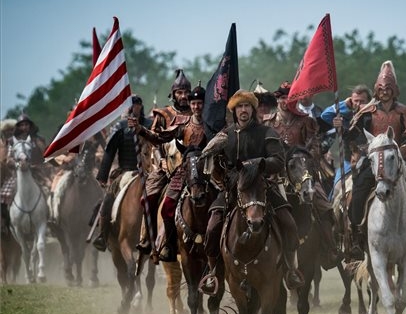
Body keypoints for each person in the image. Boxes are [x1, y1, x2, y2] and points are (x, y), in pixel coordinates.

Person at [203, 89, 304, 292]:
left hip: (263, 187)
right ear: (234, 110)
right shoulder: (226, 135)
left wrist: (257, 163)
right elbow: (213, 167)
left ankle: (290, 269)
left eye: (247, 106)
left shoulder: (266, 133)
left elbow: (278, 160)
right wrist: (211, 155)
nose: (243, 110)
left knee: (289, 223)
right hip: (233, 188)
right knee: (212, 226)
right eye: (239, 106)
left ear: (253, 109)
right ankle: (213, 273)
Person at [342, 61, 406, 260]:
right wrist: (350, 135)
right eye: (381, 88)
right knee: (358, 193)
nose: (384, 92)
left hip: (400, 158)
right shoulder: (366, 111)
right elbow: (353, 137)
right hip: (373, 160)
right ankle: (357, 238)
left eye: (388, 88)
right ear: (376, 89)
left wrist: (396, 155)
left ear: (394, 90)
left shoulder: (405, 111)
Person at [264, 82, 340, 270]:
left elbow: (315, 146)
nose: (285, 101)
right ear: (277, 99)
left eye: (289, 98)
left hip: (302, 172)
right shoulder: (268, 122)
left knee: (324, 206)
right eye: (282, 98)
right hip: (275, 175)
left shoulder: (306, 120)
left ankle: (330, 249)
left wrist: (303, 156)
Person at [130, 83, 208, 262]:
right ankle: (169, 245)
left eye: (200, 103)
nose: (197, 107)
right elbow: (159, 138)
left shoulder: (212, 124)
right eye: (194, 103)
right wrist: (141, 130)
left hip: (209, 170)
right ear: (190, 104)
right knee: (166, 208)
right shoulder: (182, 125)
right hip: (185, 171)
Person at [91, 95, 152, 251]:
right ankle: (103, 236)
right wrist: (103, 176)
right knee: (107, 199)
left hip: (149, 173)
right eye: (130, 104)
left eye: (136, 103)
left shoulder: (150, 125)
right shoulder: (119, 127)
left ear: (141, 106)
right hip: (125, 172)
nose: (133, 107)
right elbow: (110, 152)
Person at [321, 84, 372, 199]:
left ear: (369, 102)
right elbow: (325, 115)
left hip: (370, 161)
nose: (358, 105)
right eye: (355, 101)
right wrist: (345, 104)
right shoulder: (346, 115)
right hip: (349, 161)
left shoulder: (375, 115)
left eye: (362, 101)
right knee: (335, 193)